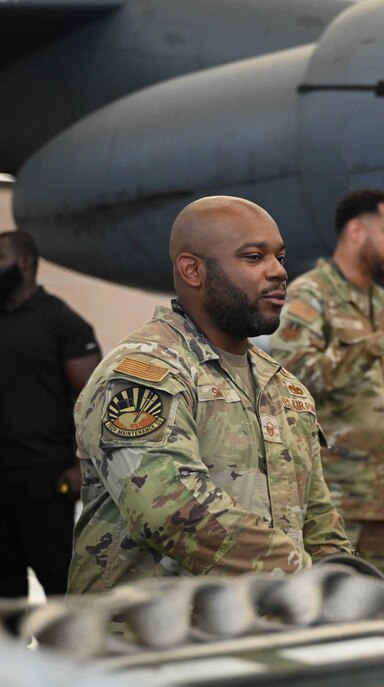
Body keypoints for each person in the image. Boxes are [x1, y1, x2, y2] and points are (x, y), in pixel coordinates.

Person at [68, 196, 353, 594]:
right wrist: (309, 580)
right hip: (148, 642)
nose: (278, 272)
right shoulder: (145, 373)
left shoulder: (285, 388)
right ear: (193, 270)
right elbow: (169, 510)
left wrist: (345, 585)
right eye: (254, 257)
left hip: (256, 637)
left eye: (280, 257)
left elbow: (317, 518)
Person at [269, 189, 384, 582]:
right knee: (333, 615)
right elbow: (290, 378)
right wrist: (377, 345)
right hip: (334, 506)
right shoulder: (310, 294)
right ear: (356, 230)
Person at [0, 231, 101, 598]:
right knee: (5, 588)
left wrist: (81, 467)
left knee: (58, 579)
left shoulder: (61, 321)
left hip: (45, 479)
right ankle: (12, 658)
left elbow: (94, 401)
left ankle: (66, 656)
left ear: (23, 263)